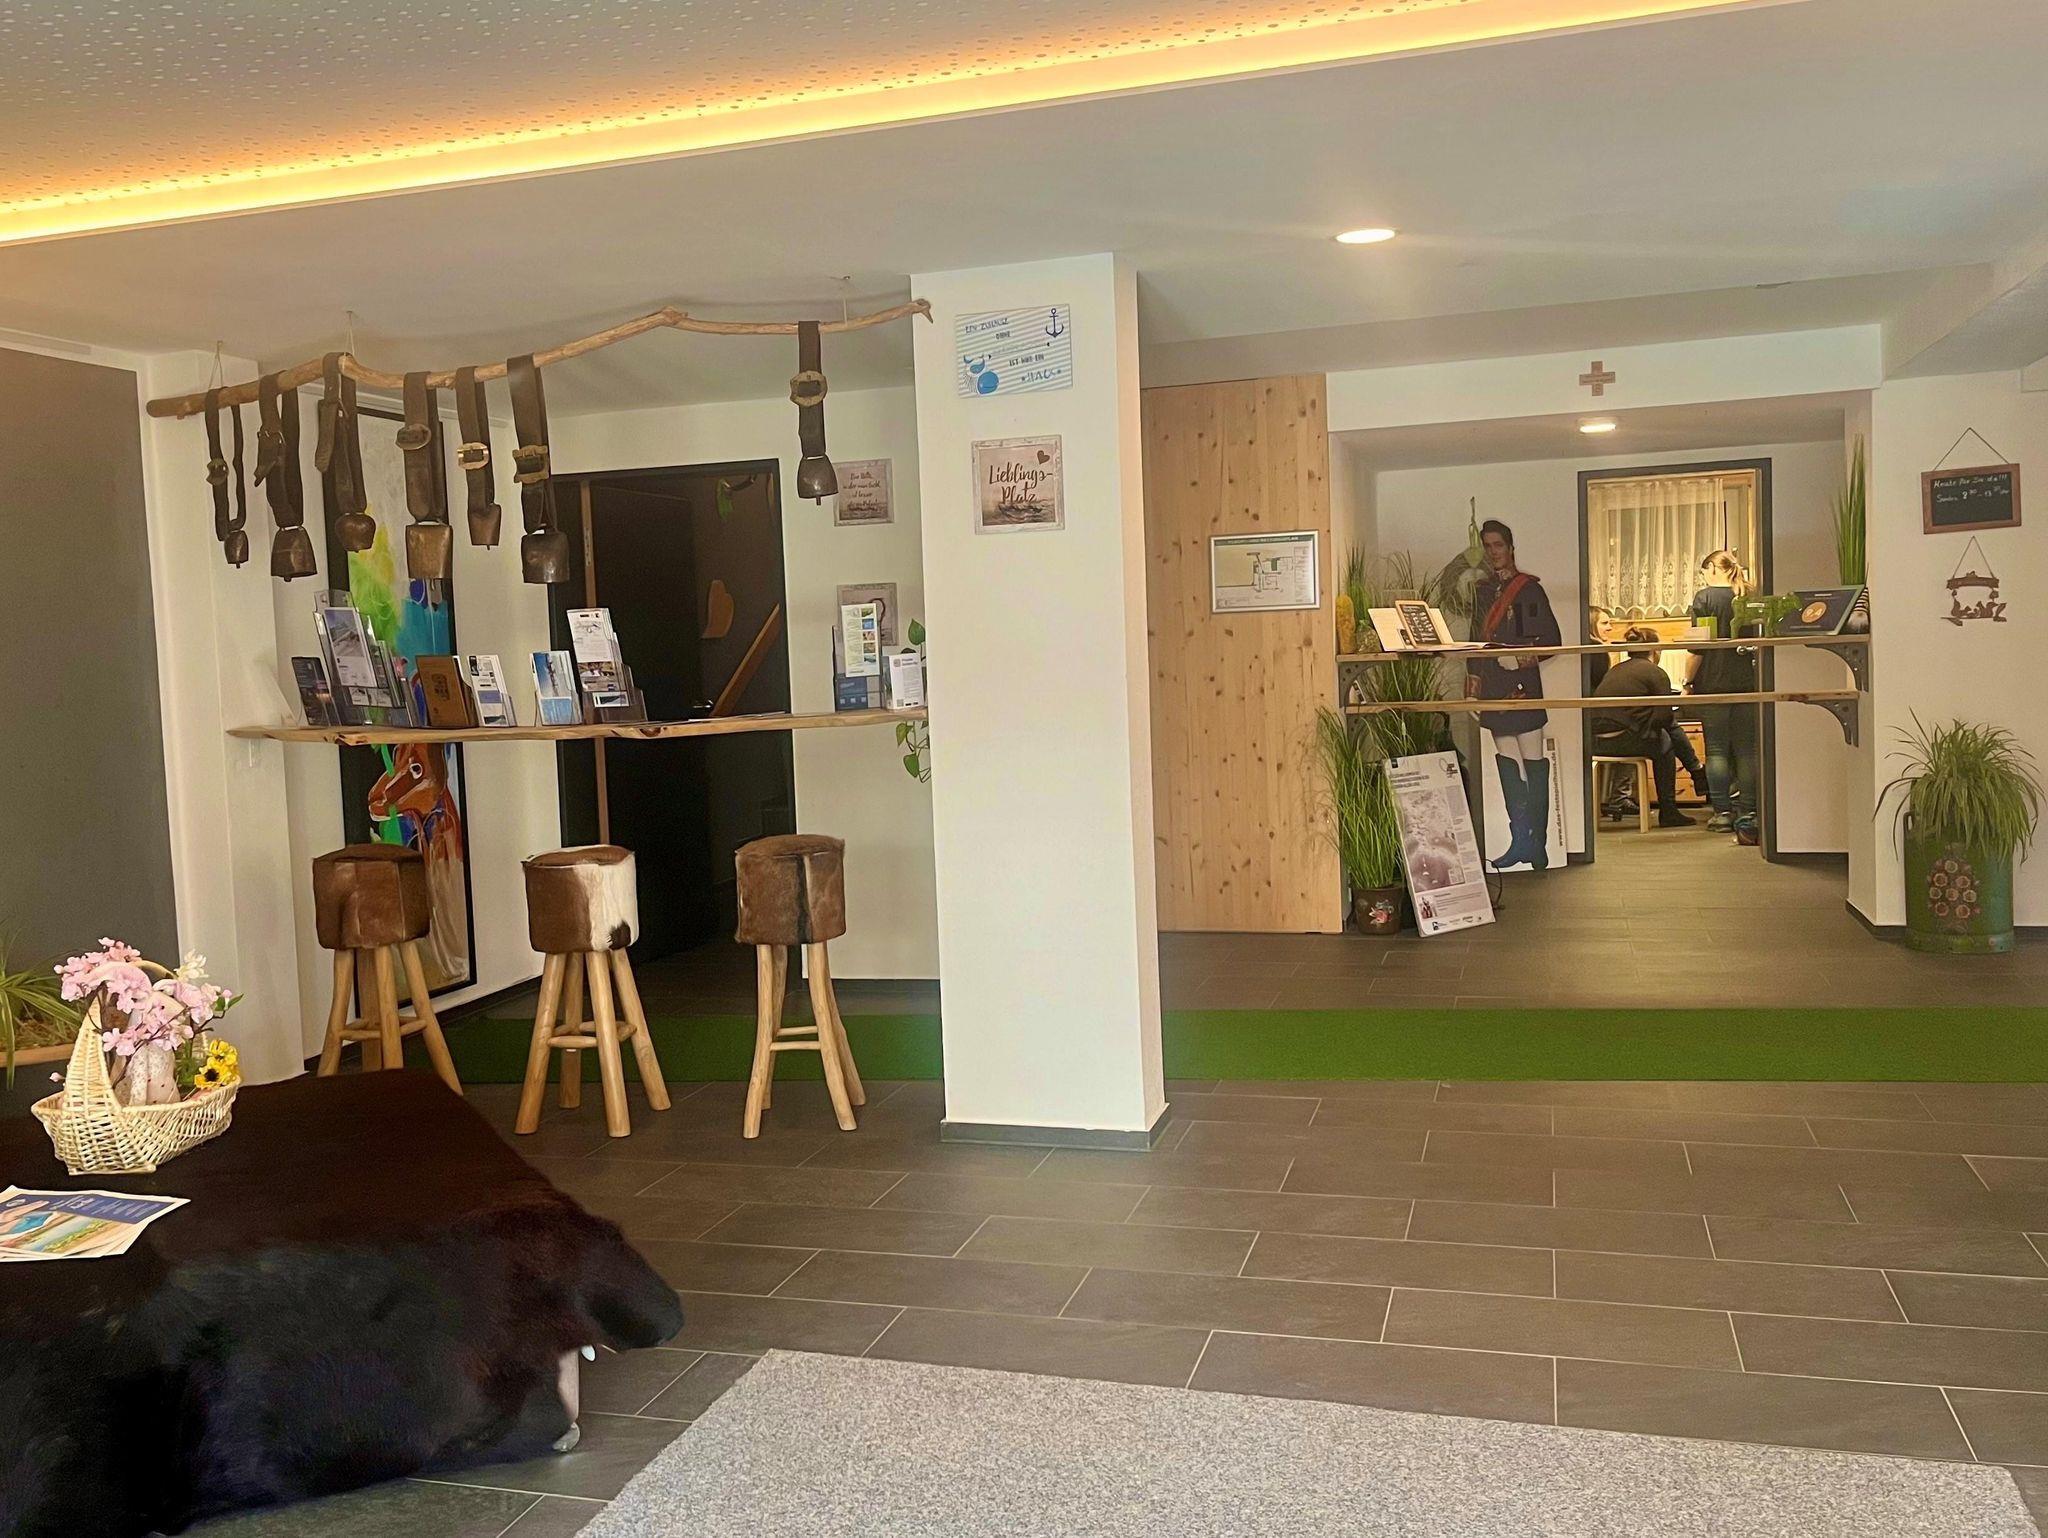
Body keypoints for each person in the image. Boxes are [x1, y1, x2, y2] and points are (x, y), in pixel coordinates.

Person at [1467, 519, 1561, 869]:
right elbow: (1474, 643)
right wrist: (1473, 689)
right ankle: (1520, 841)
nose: (1493, 552)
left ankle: (1538, 845)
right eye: (1487, 546)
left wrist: (1519, 659)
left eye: (1498, 545)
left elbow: (1549, 641)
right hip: (1492, 686)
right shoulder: (1481, 592)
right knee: (1508, 764)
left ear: (1510, 547)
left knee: (1533, 764)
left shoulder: (1527, 590)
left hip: (1522, 688)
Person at [1592, 627, 1707, 828]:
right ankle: (1671, 807)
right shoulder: (1656, 673)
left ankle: (1696, 771)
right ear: (1655, 650)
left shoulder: (1615, 670)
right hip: (1624, 741)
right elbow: (1664, 717)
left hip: (1596, 742)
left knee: (1666, 731)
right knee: (1666, 741)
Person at [1687, 549, 1761, 842]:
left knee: (1716, 750)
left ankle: (1722, 814)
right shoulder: (1748, 596)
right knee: (1747, 750)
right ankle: (1749, 812)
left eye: (1704, 571)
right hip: (1748, 683)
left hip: (1714, 683)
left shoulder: (1705, 598)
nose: (1704, 577)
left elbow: (1700, 646)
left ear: (1712, 568)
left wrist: (1687, 681)